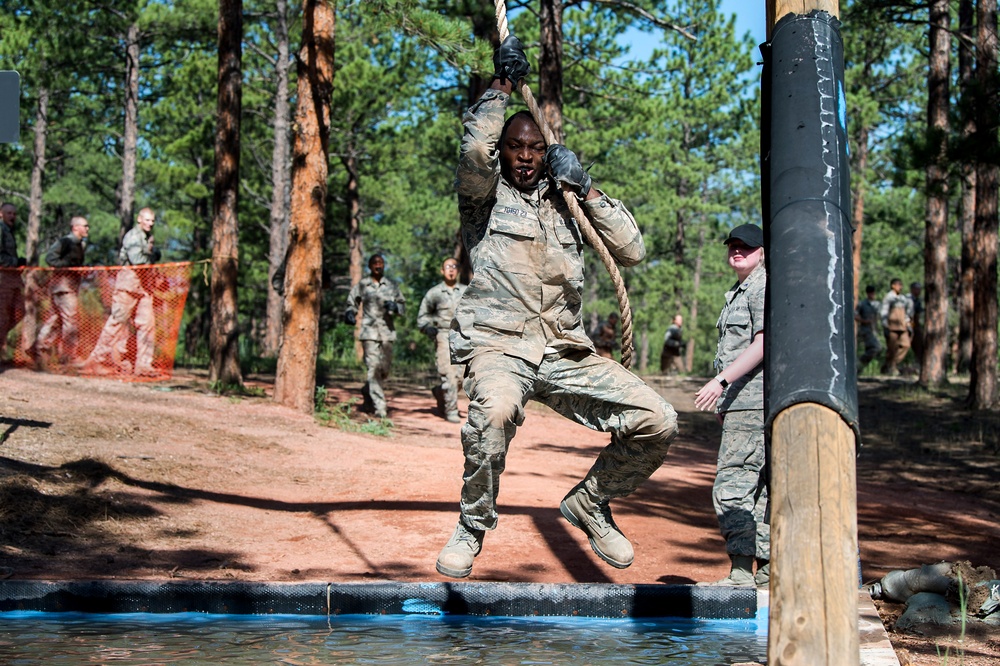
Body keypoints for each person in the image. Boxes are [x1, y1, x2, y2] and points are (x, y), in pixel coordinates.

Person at [435, 34, 678, 579]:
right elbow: (476, 152)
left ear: (546, 152)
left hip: (565, 349)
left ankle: (591, 502)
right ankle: (472, 527)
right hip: (499, 345)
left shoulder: (567, 199)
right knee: (492, 413)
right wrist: (500, 88)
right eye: (515, 148)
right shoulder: (483, 196)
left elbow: (632, 250)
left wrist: (588, 189)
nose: (524, 157)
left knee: (657, 419)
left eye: (534, 148)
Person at [694, 223, 768, 587]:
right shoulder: (741, 290)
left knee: (733, 484)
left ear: (763, 251)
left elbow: (763, 341)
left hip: (753, 402)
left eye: (746, 247)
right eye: (733, 246)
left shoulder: (761, 286)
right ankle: (767, 573)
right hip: (743, 402)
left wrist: (721, 381)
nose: (737, 251)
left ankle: (742, 574)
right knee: (761, 488)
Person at [85, 207, 161, 376]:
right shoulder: (133, 236)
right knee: (117, 322)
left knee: (147, 325)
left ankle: (143, 365)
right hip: (128, 284)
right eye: (147, 220)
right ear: (139, 219)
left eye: (152, 221)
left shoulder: (148, 237)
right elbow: (138, 260)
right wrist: (154, 256)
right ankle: (96, 360)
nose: (150, 223)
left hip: (144, 287)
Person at [344, 253, 405, 419]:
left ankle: (367, 389)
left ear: (384, 265)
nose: (378, 265)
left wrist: (396, 307)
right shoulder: (363, 285)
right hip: (369, 332)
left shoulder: (392, 285)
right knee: (373, 368)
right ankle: (380, 407)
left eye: (381, 263)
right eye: (375, 263)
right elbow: (352, 302)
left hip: (387, 333)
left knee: (383, 370)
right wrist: (350, 313)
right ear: (370, 266)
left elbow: (402, 307)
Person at [417, 257, 466, 423]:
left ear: (458, 270)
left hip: (463, 336)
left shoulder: (467, 291)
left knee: (462, 377)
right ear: (441, 271)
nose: (451, 270)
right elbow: (422, 316)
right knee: (449, 375)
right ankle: (451, 410)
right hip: (443, 335)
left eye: (454, 266)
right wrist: (427, 327)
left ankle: (440, 392)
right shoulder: (434, 293)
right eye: (447, 267)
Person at [37, 216, 89, 362]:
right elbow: (50, 258)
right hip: (63, 287)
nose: (87, 229)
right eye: (85, 226)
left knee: (55, 320)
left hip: (70, 287)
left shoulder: (80, 244)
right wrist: (66, 265)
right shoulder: (65, 241)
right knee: (70, 321)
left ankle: (40, 349)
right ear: (75, 227)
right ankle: (69, 355)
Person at [0, 202, 25, 362]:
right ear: (1, 214)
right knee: (2, 316)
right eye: (9, 213)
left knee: (20, 310)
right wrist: (15, 262)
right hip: (3, 279)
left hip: (13, 280)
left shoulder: (9, 231)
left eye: (14, 214)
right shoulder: (1, 229)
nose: (12, 216)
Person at [879, 278, 912, 376]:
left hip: (902, 326)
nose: (900, 287)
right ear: (893, 285)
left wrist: (907, 321)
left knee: (906, 345)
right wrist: (885, 324)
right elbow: (884, 311)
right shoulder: (889, 297)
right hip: (892, 326)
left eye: (901, 285)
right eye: (898, 285)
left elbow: (906, 312)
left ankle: (892, 364)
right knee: (892, 348)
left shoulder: (902, 298)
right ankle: (890, 368)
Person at [854, 284, 882, 374]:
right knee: (876, 347)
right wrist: (864, 321)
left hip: (874, 330)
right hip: (866, 330)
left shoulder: (877, 304)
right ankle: (859, 363)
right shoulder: (862, 304)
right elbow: (855, 315)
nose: (872, 295)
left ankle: (859, 367)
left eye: (873, 293)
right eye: (870, 293)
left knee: (872, 349)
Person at [907, 281, 924, 370]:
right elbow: (909, 315)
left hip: (915, 325)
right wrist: (911, 326)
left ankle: (918, 364)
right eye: (917, 289)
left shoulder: (918, 300)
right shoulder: (908, 299)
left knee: (919, 345)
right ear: (912, 289)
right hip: (907, 324)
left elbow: (919, 313)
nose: (919, 291)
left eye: (919, 289)